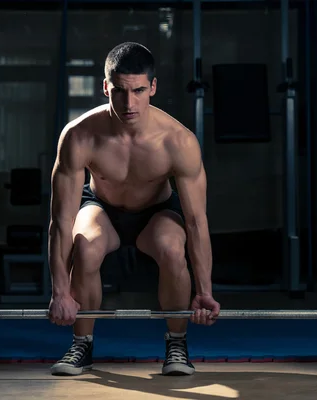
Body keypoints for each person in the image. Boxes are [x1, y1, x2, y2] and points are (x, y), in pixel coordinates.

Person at [47, 42, 220, 377]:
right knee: (85, 244)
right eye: (120, 91)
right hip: (101, 207)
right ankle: (81, 345)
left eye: (139, 90)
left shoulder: (177, 141)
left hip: (156, 214)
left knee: (172, 247)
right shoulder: (79, 135)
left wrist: (205, 291)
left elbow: (197, 222)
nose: (129, 103)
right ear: (105, 87)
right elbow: (61, 219)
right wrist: (60, 291)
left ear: (152, 87)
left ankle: (176, 343)